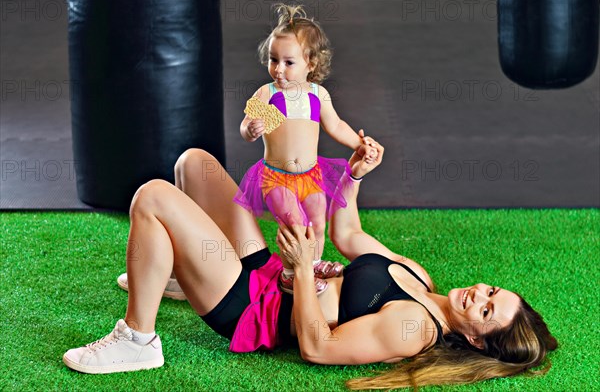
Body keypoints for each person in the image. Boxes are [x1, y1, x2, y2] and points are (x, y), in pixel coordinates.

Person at [63, 142, 557, 389]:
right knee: (196, 164)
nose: (480, 295)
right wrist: (356, 176)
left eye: (488, 311)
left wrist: (301, 268)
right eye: (493, 291)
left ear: (474, 339)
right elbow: (348, 235)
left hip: (251, 311)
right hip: (268, 278)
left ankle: (138, 340)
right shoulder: (421, 279)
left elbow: (317, 348)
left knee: (153, 197)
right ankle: (172, 271)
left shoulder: (414, 328)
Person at [234, 4, 375, 294]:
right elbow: (246, 126)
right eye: (274, 60)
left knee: (317, 221)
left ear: (310, 63)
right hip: (276, 176)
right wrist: (250, 129)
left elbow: (335, 126)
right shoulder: (267, 93)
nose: (278, 69)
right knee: (295, 224)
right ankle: (290, 272)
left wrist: (359, 145)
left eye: (289, 62)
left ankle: (315, 262)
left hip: (311, 175)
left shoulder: (317, 95)